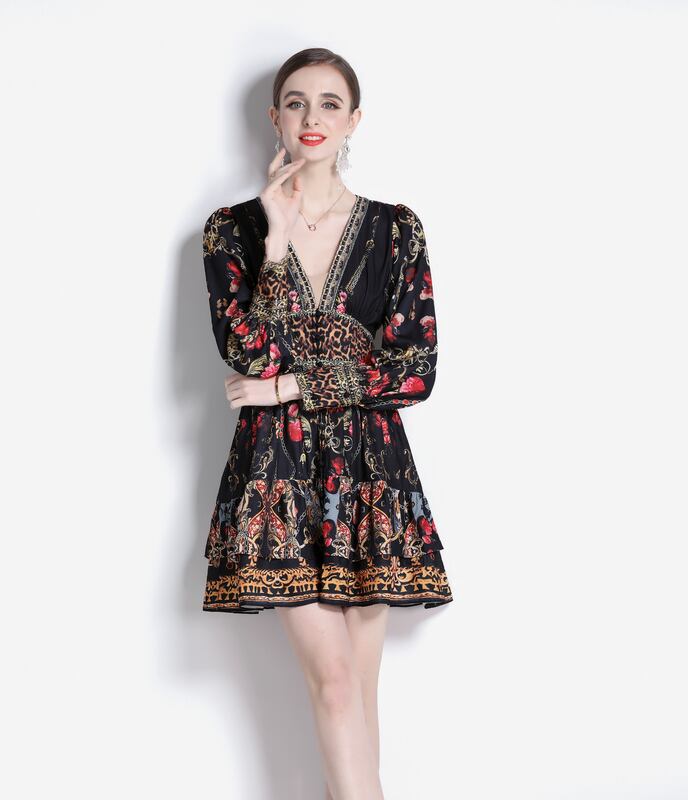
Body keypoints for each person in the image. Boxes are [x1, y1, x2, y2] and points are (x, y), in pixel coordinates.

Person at [200, 47, 453, 800]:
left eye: (330, 103)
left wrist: (287, 387)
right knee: (335, 685)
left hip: (372, 477)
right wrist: (276, 240)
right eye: (297, 102)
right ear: (275, 117)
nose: (312, 117)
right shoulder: (231, 231)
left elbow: (415, 370)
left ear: (354, 120)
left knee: (358, 693)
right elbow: (247, 349)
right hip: (274, 478)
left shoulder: (397, 229)